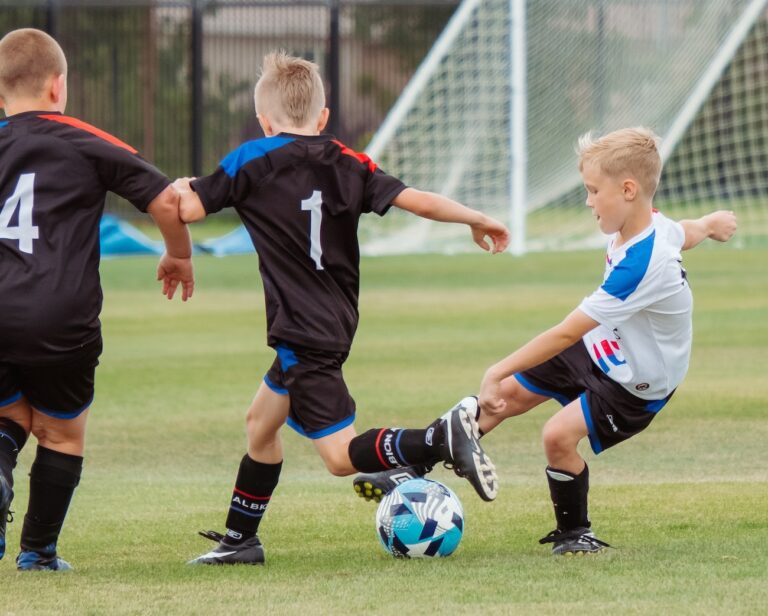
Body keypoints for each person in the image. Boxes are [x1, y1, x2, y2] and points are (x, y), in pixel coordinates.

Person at [174, 51, 510, 565]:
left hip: (299, 330)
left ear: (264, 122)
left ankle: (437, 438)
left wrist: (178, 188)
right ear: (324, 118)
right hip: (334, 320)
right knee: (260, 424)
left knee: (337, 458)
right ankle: (241, 539)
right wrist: (477, 218)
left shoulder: (251, 158)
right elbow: (415, 198)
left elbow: (190, 208)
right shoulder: (350, 162)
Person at [355, 127, 737, 556]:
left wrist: (496, 368)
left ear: (628, 190)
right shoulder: (650, 227)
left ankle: (576, 533)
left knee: (556, 436)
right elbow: (681, 231)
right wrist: (710, 224)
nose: (588, 200)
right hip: (604, 344)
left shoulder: (643, 265)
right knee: (507, 396)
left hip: (637, 383)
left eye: (594, 190)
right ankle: (411, 467)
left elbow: (565, 332)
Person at [0, 28, 194, 571]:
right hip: (61, 313)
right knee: (60, 431)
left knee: (8, 415)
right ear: (59, 86)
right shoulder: (84, 139)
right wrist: (179, 254)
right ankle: (37, 553)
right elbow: (164, 200)